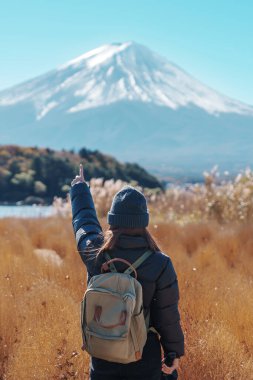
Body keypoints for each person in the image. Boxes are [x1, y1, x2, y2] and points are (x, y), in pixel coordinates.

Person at [70, 164, 184, 380]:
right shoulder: (160, 263)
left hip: (102, 352)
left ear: (113, 219)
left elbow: (83, 223)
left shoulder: (96, 252)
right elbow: (167, 316)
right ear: (144, 221)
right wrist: (173, 353)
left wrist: (80, 189)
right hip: (143, 357)